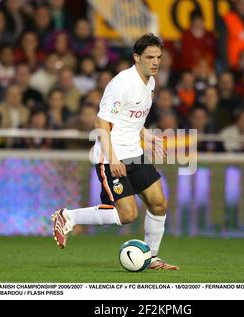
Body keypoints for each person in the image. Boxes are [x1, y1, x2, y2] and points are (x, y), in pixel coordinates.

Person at [51, 33, 179, 270]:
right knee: (127, 215)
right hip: (111, 155)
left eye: (158, 57)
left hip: (134, 152)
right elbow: (101, 124)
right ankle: (67, 217)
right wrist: (113, 159)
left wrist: (146, 135)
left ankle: (150, 257)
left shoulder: (149, 82)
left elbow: (131, 119)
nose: (155, 62)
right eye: (150, 57)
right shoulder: (122, 83)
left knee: (159, 203)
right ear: (136, 57)